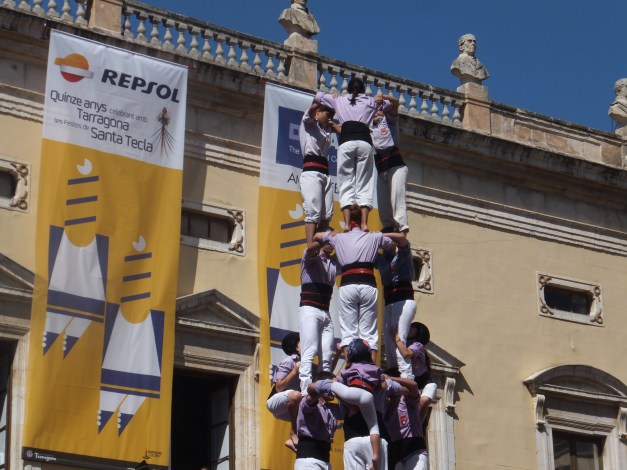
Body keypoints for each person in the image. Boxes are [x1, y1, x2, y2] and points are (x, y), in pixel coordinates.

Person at [314, 205, 404, 362]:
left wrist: (331, 234)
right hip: (368, 283)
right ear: (363, 219)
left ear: (347, 220)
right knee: (369, 331)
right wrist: (379, 237)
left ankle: (350, 366)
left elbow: (316, 236)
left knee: (348, 330)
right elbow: (393, 245)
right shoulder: (374, 237)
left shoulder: (338, 237)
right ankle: (371, 367)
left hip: (348, 284)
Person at [315, 78, 391, 231]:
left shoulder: (340, 100)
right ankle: (363, 223)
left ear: (348, 89)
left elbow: (317, 96)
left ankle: (348, 224)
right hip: (364, 142)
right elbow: (388, 105)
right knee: (365, 184)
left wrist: (332, 95)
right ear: (363, 90)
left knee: (345, 183)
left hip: (347, 142)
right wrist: (379, 99)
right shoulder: (370, 101)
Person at [298, 241, 340, 393]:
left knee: (327, 356)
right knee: (309, 351)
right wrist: (322, 242)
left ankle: (324, 392)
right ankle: (304, 392)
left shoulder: (334, 262)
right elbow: (310, 250)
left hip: (325, 312)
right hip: (310, 309)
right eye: (328, 241)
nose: (332, 244)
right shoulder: (311, 259)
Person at [299, 101, 340, 249]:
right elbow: (311, 112)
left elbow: (342, 130)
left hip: (325, 173)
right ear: (317, 113)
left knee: (327, 214)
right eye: (327, 113)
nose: (330, 116)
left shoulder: (328, 129)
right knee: (313, 212)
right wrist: (320, 101)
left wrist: (331, 123)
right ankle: (310, 244)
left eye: (331, 114)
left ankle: (320, 244)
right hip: (312, 172)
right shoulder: (309, 123)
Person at [377, 233, 416, 377]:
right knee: (388, 340)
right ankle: (394, 371)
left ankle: (406, 374)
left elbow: (403, 238)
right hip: (389, 301)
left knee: (399, 337)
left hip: (403, 299)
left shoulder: (403, 255)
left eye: (390, 241)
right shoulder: (380, 259)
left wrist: (383, 235)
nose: (387, 243)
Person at [371, 94, 409, 233]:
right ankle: (388, 233)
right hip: (381, 169)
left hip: (395, 165)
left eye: (378, 110)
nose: (375, 112)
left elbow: (396, 103)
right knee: (383, 207)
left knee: (397, 201)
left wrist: (383, 97)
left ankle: (402, 230)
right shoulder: (368, 127)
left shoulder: (389, 121)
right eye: (372, 110)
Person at [294, 371, 342, 469]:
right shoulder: (308, 403)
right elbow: (309, 399)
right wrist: (322, 386)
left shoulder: (332, 409)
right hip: (309, 460)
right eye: (331, 386)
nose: (333, 390)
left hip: (325, 460)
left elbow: (351, 406)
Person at [384, 370, 430, 470]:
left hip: (415, 453)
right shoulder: (384, 407)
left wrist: (389, 378)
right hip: (399, 458)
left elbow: (413, 385)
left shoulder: (408, 401)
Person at [393, 322, 437, 424]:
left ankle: (418, 425)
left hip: (425, 383)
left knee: (424, 401)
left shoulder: (418, 345)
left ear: (418, 333)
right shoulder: (405, 343)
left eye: (413, 328)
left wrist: (397, 339)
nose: (410, 328)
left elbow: (406, 353)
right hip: (413, 384)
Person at [266, 331, 303, 451]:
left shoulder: (308, 362)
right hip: (275, 401)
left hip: (290, 408)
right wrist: (294, 371)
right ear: (296, 347)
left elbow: (325, 375)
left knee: (313, 408)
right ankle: (293, 432)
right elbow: (279, 387)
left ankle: (296, 444)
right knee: (296, 395)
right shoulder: (289, 361)